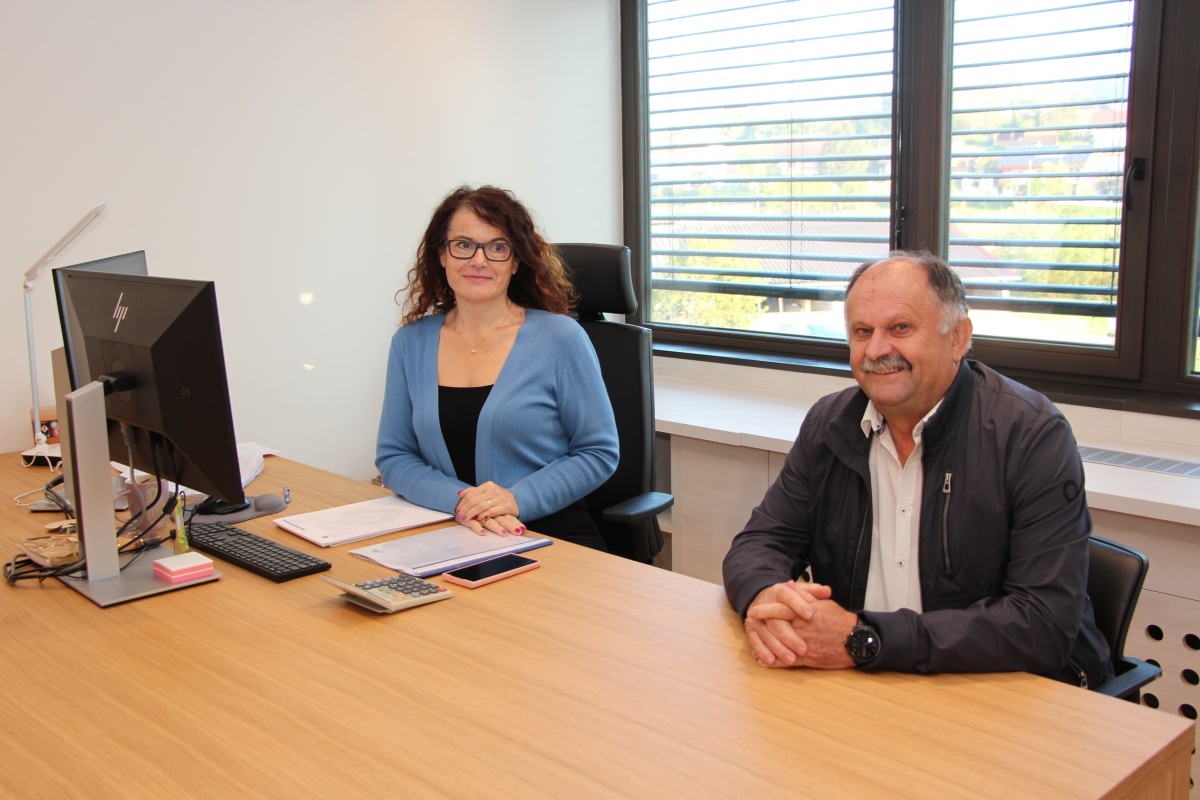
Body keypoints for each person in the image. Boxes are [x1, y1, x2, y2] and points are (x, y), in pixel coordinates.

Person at [722, 250, 1113, 688]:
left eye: (900, 328)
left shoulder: (1030, 434)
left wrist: (863, 639)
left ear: (957, 338)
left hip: (999, 692)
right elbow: (759, 541)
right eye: (862, 332)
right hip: (865, 684)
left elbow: (1042, 624)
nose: (876, 350)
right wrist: (765, 596)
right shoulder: (830, 424)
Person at [375, 185, 619, 551]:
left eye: (497, 247)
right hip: (448, 533)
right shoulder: (410, 343)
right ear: (442, 255)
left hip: (548, 534)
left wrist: (515, 499)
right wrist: (464, 503)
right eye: (463, 245)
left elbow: (598, 451)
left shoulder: (560, 338)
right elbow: (395, 456)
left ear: (516, 261)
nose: (478, 260)